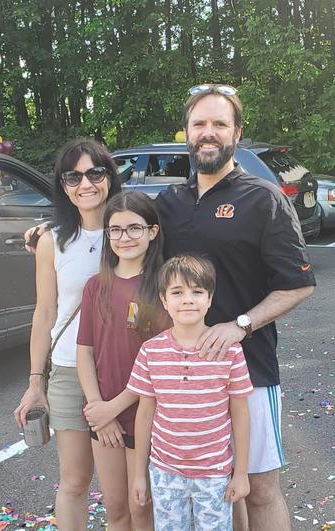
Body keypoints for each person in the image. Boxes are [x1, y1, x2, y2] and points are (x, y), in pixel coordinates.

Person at [154, 84, 316, 531]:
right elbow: (112, 229)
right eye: (200, 124)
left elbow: (297, 284)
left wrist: (240, 325)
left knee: (260, 491)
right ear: (186, 133)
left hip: (250, 371)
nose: (209, 133)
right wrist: (48, 232)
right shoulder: (167, 203)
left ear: (236, 133)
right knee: (212, 488)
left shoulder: (264, 199)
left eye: (219, 124)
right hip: (184, 380)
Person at [14, 138, 121, 531]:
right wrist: (34, 382)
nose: (85, 184)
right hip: (68, 372)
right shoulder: (52, 240)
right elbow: (45, 314)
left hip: (122, 372)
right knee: (74, 481)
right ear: (62, 184)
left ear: (109, 176)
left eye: (95, 172)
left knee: (120, 493)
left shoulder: (132, 228)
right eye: (73, 176)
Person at [128, 254, 253, 531]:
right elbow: (145, 412)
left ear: (209, 299)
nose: (188, 299)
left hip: (214, 473)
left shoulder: (230, 351)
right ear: (163, 300)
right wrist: (139, 475)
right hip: (164, 472)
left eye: (197, 291)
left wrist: (241, 473)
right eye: (177, 292)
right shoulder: (151, 351)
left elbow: (240, 413)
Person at [76, 191, 167, 531]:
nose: (124, 237)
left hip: (147, 415)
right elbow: (84, 350)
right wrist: (99, 408)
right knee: (115, 509)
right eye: (115, 230)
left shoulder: (164, 287)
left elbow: (161, 365)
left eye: (134, 229)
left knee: (141, 507)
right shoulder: (95, 286)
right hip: (104, 417)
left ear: (152, 232)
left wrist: (114, 408)